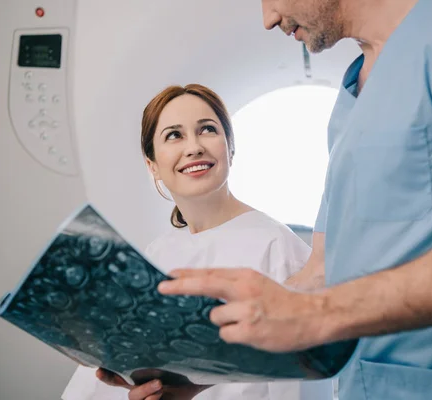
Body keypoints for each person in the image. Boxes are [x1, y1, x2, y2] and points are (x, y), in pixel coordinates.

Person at [156, 0, 432, 399]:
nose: (269, 18)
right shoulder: (350, 99)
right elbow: (323, 271)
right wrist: (209, 366)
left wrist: (319, 316)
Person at [60, 83, 334, 400]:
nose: (194, 147)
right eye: (174, 135)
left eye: (207, 130)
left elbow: (298, 384)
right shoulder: (157, 253)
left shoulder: (276, 247)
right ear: (153, 166)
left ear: (230, 147)